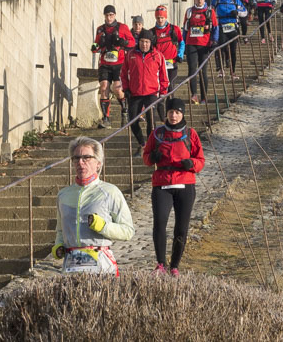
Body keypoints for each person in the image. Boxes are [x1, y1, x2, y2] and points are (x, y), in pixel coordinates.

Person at [52, 137, 135, 275]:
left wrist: (104, 227)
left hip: (101, 265)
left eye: (86, 158)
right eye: (76, 158)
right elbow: (60, 230)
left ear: (98, 163)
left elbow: (128, 231)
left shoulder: (110, 192)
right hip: (70, 267)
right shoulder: (63, 195)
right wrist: (59, 245)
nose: (80, 162)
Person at [143, 96, 205, 278]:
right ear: (166, 113)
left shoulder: (191, 134)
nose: (174, 115)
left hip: (185, 183)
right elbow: (146, 157)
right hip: (162, 183)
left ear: (182, 113)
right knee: (160, 224)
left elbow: (200, 160)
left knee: (181, 227)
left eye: (177, 112)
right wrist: (151, 158)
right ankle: (160, 264)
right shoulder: (156, 134)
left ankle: (175, 266)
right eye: (171, 112)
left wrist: (191, 164)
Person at [121, 31, 169, 153]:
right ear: (138, 42)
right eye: (142, 41)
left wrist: (163, 92)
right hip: (134, 93)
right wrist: (126, 89)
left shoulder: (157, 56)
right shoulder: (130, 55)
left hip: (151, 93)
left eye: (147, 42)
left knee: (150, 120)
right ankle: (142, 143)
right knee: (133, 121)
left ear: (151, 42)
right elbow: (123, 73)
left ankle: (151, 144)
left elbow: (164, 76)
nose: (144, 44)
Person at [92, 5, 135, 127]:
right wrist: (95, 47)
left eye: (111, 15)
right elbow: (96, 45)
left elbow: (132, 42)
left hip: (119, 63)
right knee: (104, 87)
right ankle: (106, 118)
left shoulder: (122, 27)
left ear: (115, 15)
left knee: (117, 88)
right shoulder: (100, 29)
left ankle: (124, 110)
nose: (109, 17)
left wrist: (123, 42)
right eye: (107, 15)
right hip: (105, 63)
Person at [182, 0, 219, 103]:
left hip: (204, 45)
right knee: (192, 70)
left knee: (203, 71)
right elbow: (185, 29)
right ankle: (194, 95)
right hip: (191, 44)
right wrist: (184, 44)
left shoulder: (210, 11)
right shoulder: (189, 11)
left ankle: (204, 96)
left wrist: (215, 41)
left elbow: (215, 27)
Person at [211, 0, 248, 78]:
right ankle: (221, 70)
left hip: (233, 27)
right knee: (221, 49)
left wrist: (237, 12)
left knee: (233, 50)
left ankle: (233, 71)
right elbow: (210, 11)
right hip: (221, 27)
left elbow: (245, 12)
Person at [151, 5, 185, 92]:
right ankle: (160, 105)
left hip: (172, 63)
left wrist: (180, 55)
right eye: (158, 18)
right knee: (159, 88)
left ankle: (170, 105)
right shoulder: (152, 32)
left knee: (170, 87)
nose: (160, 20)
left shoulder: (174, 29)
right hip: (158, 65)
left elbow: (181, 43)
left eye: (162, 17)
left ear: (165, 17)